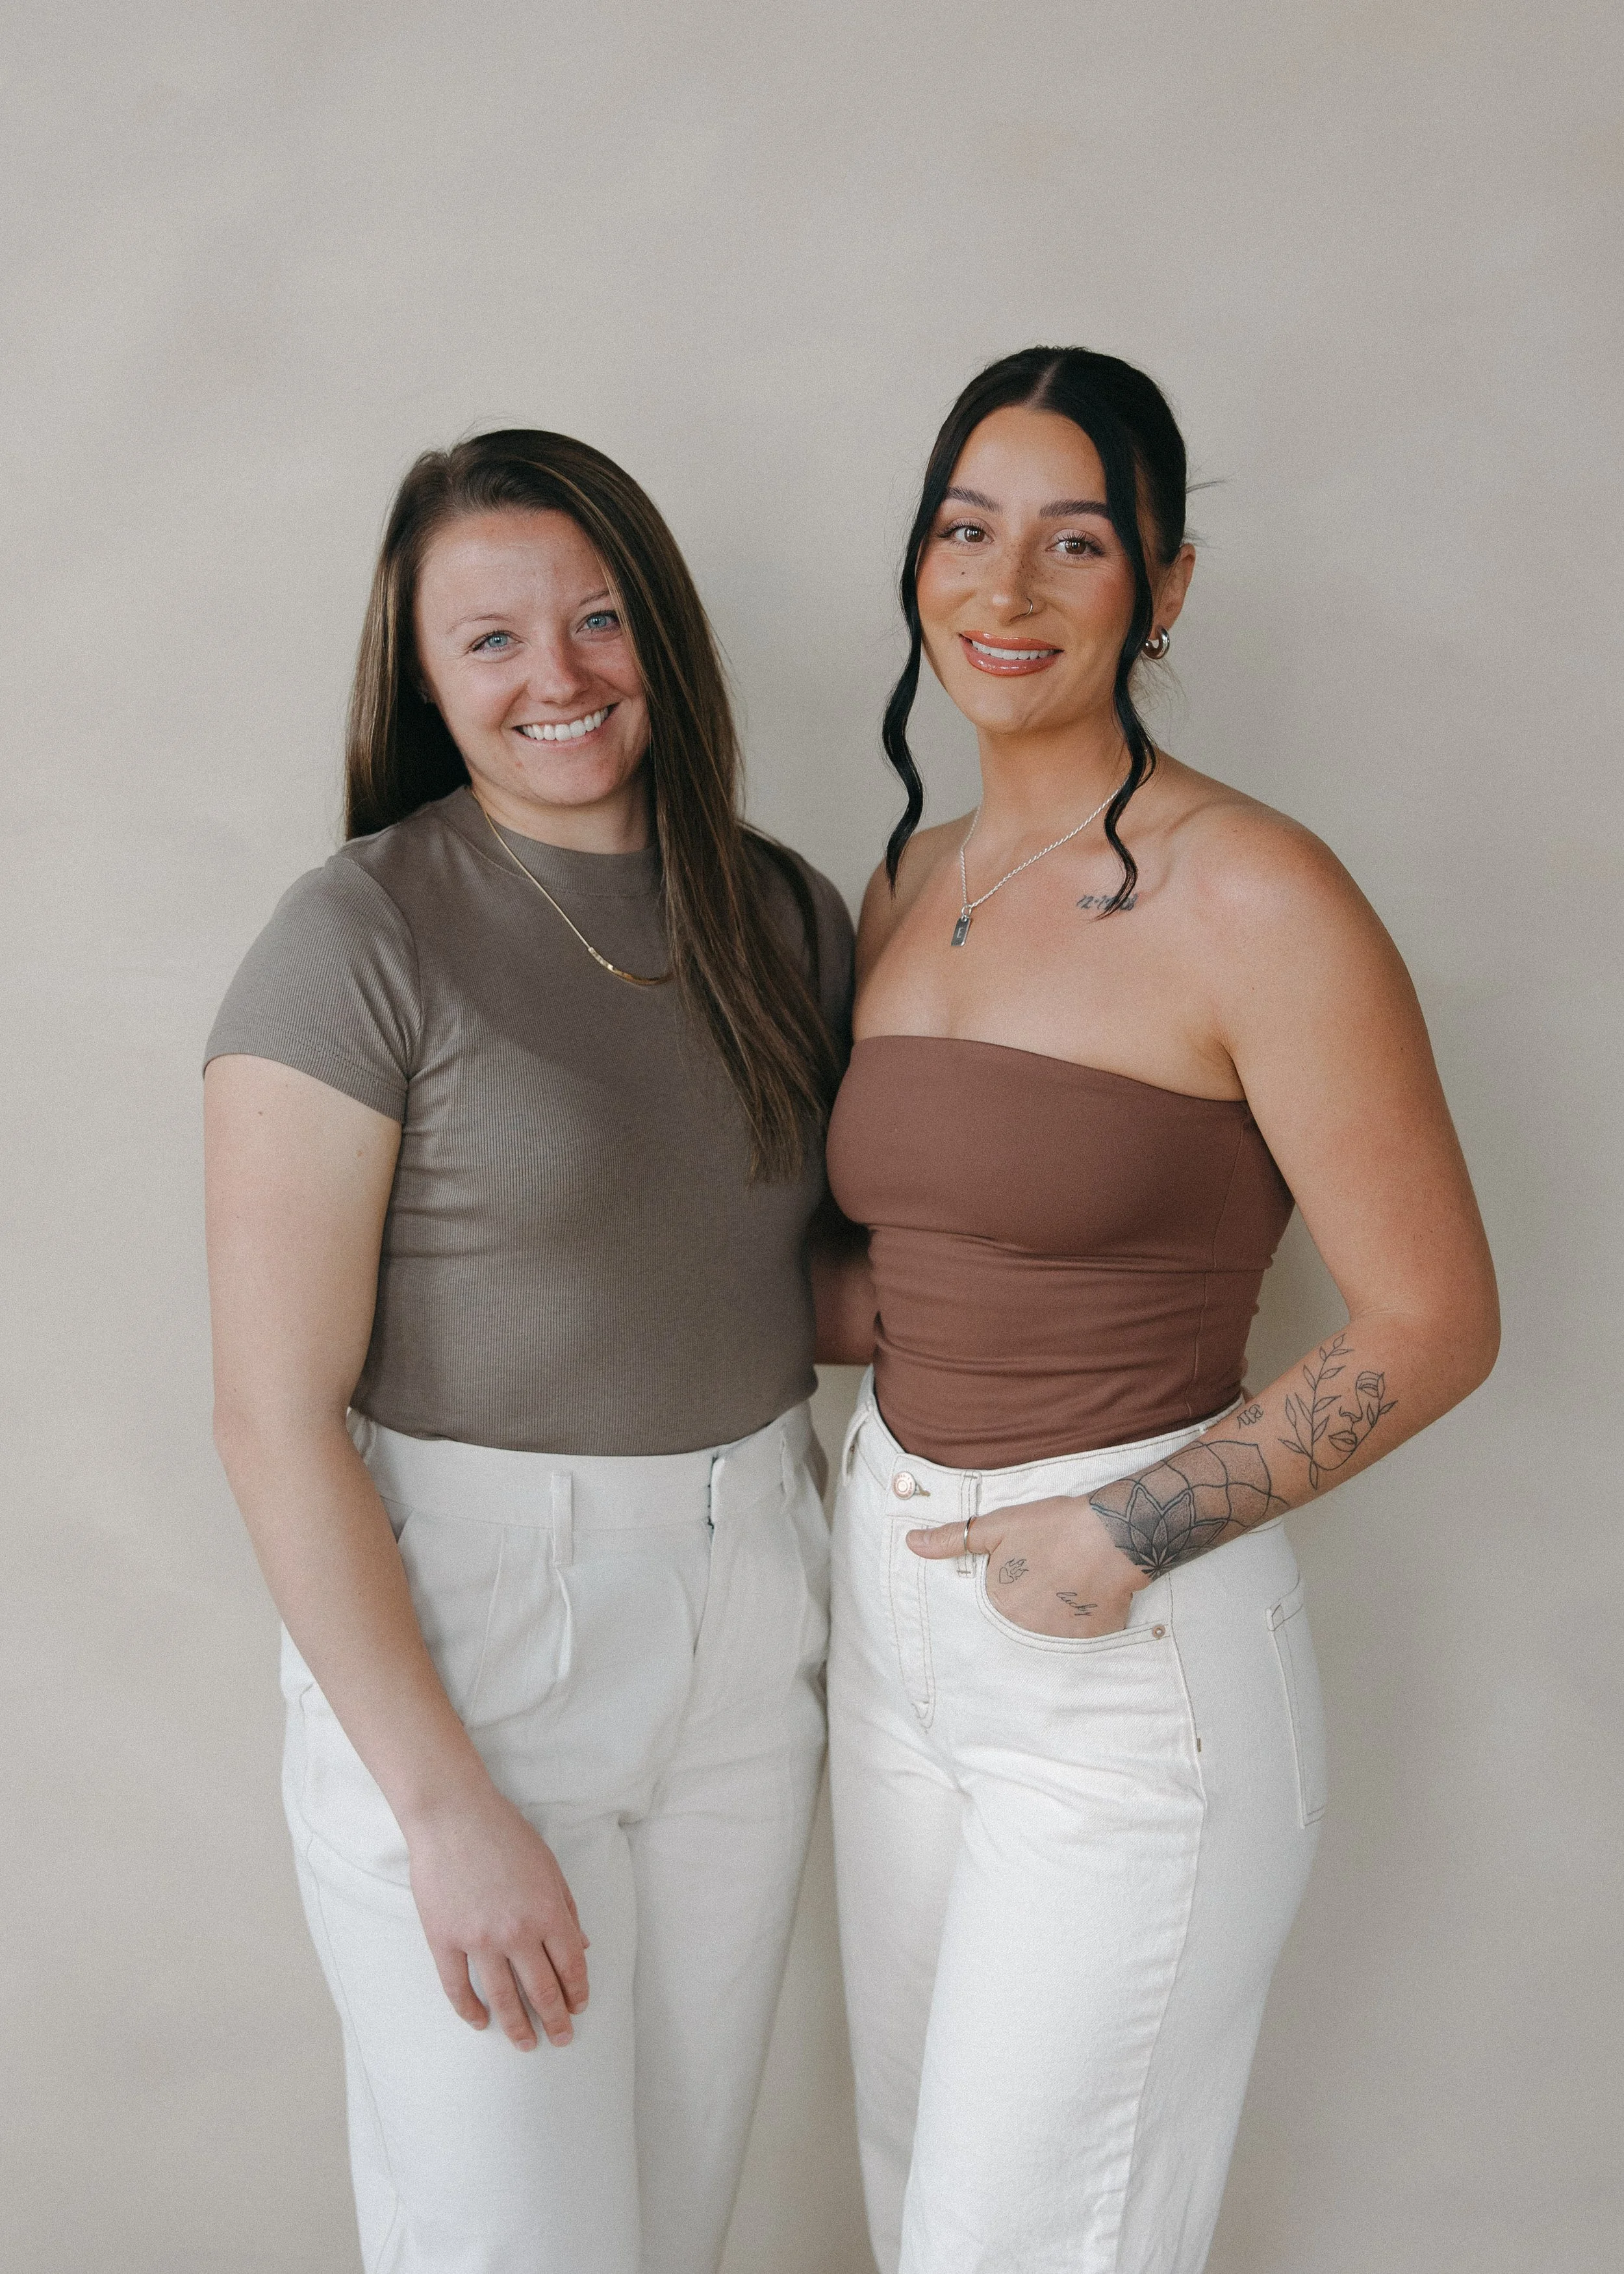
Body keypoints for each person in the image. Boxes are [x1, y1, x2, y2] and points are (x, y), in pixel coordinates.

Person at [816, 346, 1499, 2274]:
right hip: (891, 1611)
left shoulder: (1255, 894)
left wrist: (1122, 1536)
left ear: (1167, 585)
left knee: (1027, 2238)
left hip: (1118, 1650)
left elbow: (1433, 1315)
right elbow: (909, 1268)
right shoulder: (909, 877)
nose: (1002, 590)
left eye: (1074, 539)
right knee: (904, 2185)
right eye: (964, 530)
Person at [203, 429, 853, 2274]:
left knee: (668, 2221)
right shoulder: (357, 937)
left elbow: (765, 1281)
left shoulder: (781, 915)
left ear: (662, 633)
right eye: (487, 639)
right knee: (520, 2244)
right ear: (418, 675)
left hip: (755, 1620)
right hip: (483, 1650)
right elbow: (270, 1412)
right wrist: (442, 1804)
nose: (553, 675)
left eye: (593, 619)